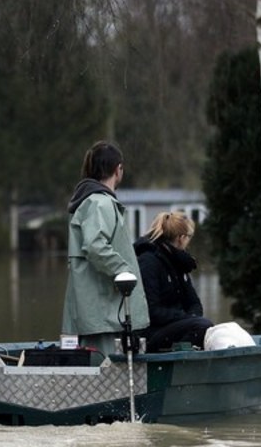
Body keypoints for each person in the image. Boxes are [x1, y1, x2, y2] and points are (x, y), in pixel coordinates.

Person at [62, 140, 149, 352]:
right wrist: (124, 271)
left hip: (101, 312)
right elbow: (94, 245)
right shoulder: (99, 202)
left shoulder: (90, 201)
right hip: (103, 313)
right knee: (106, 371)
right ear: (118, 169)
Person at [134, 211, 214, 350]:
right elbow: (152, 310)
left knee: (206, 327)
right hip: (152, 331)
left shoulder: (179, 264)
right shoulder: (148, 262)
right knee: (201, 326)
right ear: (181, 238)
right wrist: (185, 318)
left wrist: (191, 317)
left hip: (175, 323)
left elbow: (194, 302)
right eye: (189, 237)